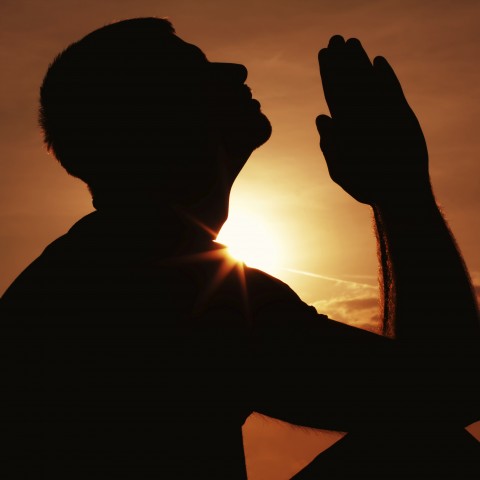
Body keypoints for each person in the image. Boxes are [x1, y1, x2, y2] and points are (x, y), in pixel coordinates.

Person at [0, 17, 478, 479]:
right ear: (155, 119)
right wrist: (401, 189)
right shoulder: (177, 286)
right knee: (429, 445)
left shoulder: (95, 266)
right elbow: (450, 387)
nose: (235, 71)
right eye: (197, 70)